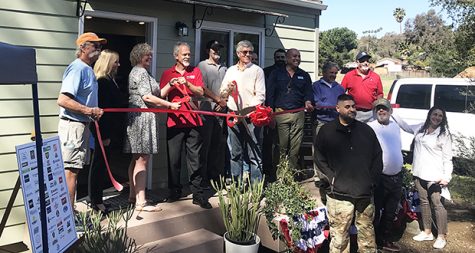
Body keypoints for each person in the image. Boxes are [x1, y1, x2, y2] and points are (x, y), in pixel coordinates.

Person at [314, 94, 383, 253]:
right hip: (339, 195)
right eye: (347, 106)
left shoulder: (366, 131)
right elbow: (319, 158)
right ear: (338, 109)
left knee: (367, 236)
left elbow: (377, 156)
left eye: (353, 106)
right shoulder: (327, 131)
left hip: (364, 193)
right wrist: (332, 178)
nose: (352, 109)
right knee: (339, 239)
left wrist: (372, 181)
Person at [124, 43, 180, 212]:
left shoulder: (144, 73)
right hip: (141, 118)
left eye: (150, 55)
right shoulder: (140, 72)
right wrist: (170, 105)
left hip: (143, 117)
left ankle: (133, 196)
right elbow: (148, 97)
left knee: (136, 158)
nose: (150, 57)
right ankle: (141, 202)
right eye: (146, 55)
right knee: (142, 159)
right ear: (138, 56)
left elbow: (157, 94)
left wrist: (170, 83)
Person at [159, 42, 211, 209]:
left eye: (189, 54)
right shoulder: (167, 73)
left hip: (194, 121)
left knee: (195, 159)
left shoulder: (195, 71)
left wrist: (187, 84)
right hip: (174, 121)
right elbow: (160, 96)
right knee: (174, 160)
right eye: (184, 54)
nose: (188, 57)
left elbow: (201, 92)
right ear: (176, 56)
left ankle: (198, 194)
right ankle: (174, 192)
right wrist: (172, 84)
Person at [57, 32, 106, 209]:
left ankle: (69, 214)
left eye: (100, 46)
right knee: (70, 172)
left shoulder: (87, 69)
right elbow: (63, 100)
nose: (99, 49)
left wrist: (92, 112)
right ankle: (68, 217)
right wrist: (89, 110)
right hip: (73, 126)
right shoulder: (77, 68)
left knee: (74, 170)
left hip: (81, 126)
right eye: (95, 45)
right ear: (83, 47)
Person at [393, 106, 453, 249]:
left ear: (443, 119)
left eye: (440, 116)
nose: (436, 117)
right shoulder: (420, 128)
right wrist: (392, 111)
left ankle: (441, 236)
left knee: (438, 205)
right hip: (419, 173)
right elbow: (405, 126)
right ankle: (427, 232)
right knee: (424, 202)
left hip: (435, 176)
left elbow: (448, 158)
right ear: (429, 115)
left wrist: (446, 176)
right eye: (434, 114)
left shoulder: (444, 135)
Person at [220, 40, 266, 182]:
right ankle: (236, 186)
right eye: (245, 52)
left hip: (251, 117)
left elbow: (260, 96)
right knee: (235, 153)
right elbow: (222, 93)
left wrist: (245, 113)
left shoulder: (257, 71)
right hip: (233, 115)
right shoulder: (231, 71)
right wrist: (228, 89)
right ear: (238, 53)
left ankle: (256, 188)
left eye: (250, 52)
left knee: (254, 153)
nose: (248, 55)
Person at [88, 49, 126, 214]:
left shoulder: (111, 80)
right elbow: (103, 111)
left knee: (103, 165)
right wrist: (105, 135)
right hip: (104, 130)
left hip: (110, 130)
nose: (119, 64)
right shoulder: (103, 82)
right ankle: (95, 201)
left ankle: (98, 198)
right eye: (116, 61)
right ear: (109, 63)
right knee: (99, 165)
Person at [266, 48, 314, 175]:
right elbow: (270, 94)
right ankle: (279, 175)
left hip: (298, 114)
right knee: (281, 146)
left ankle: (290, 175)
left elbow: (308, 92)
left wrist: (308, 101)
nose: (297, 58)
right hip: (280, 114)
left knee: (295, 147)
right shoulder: (276, 74)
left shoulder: (304, 75)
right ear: (287, 58)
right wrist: (270, 113)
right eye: (294, 56)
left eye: (299, 56)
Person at [367, 98, 404, 252]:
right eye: (378, 109)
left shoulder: (395, 126)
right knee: (376, 212)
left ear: (390, 111)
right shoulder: (370, 127)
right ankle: (373, 242)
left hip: (397, 176)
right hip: (380, 178)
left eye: (384, 109)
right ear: (375, 112)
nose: (381, 111)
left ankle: (385, 239)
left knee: (390, 212)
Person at [312, 62, 344, 204]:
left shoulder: (340, 88)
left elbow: (343, 104)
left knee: (336, 149)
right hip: (321, 122)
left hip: (336, 123)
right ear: (324, 72)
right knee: (319, 150)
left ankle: (334, 174)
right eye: (331, 72)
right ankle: (319, 176)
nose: (333, 75)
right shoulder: (316, 86)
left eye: (335, 73)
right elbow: (316, 103)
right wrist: (330, 106)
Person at [197, 40, 228, 188]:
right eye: (214, 49)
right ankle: (202, 179)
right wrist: (217, 100)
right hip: (207, 110)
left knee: (218, 146)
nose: (217, 51)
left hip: (221, 112)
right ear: (207, 50)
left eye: (219, 49)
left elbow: (229, 88)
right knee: (205, 146)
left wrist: (224, 102)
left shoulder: (224, 68)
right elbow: (201, 88)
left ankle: (215, 178)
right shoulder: (202, 66)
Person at [341, 51, 383, 123]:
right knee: (354, 133)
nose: (365, 63)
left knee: (370, 133)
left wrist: (377, 105)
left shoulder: (376, 77)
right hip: (354, 112)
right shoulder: (348, 76)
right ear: (357, 62)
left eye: (367, 61)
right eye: (362, 61)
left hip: (371, 114)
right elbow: (341, 93)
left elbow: (380, 94)